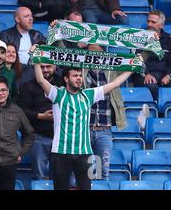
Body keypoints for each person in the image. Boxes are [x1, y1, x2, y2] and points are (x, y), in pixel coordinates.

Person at [33, 48, 135, 190]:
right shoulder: (57, 93)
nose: (79, 78)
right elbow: (40, 79)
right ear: (66, 79)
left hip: (84, 154)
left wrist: (132, 67)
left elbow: (115, 83)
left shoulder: (88, 94)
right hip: (61, 153)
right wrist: (36, 59)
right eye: (75, 75)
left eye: (80, 75)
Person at [83, 44, 127, 181]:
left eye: (97, 50)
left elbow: (136, 62)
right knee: (85, 171)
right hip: (84, 129)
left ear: (104, 52)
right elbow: (62, 53)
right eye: (91, 50)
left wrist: (148, 46)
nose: (94, 54)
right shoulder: (80, 69)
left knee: (103, 172)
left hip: (104, 131)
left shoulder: (113, 69)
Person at [17, 63, 62, 180]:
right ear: (36, 68)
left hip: (61, 137)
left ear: (55, 67)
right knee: (38, 176)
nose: (45, 70)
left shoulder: (63, 83)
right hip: (38, 136)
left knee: (59, 177)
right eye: (42, 67)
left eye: (48, 66)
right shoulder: (27, 86)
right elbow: (21, 110)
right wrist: (40, 116)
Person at [0, 6, 46, 83]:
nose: (31, 19)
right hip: (15, 72)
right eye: (26, 16)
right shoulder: (6, 34)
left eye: (31, 16)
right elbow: (3, 57)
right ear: (17, 19)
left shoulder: (38, 35)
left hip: (35, 72)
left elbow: (48, 54)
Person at [132, 10, 171, 101]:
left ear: (161, 25)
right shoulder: (138, 37)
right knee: (151, 86)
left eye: (153, 22)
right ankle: (160, 110)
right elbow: (135, 59)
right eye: (148, 21)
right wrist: (146, 74)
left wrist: (168, 76)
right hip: (143, 75)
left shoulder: (169, 39)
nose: (149, 24)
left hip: (164, 74)